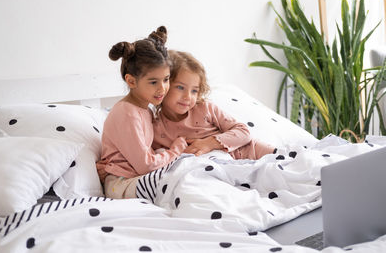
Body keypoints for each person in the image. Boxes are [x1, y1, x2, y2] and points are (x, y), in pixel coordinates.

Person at [96, 27, 187, 199]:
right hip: (121, 183)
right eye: (153, 82)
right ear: (131, 80)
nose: (162, 88)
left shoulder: (146, 109)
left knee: (188, 172)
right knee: (180, 182)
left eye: (166, 79)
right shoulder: (126, 113)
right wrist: (175, 151)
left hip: (137, 177)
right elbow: (145, 165)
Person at [152, 50, 275, 160]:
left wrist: (210, 143)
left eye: (194, 90)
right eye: (180, 87)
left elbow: (243, 132)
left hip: (251, 151)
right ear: (163, 85)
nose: (188, 97)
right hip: (224, 168)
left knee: (287, 166)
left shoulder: (205, 108)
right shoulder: (156, 129)